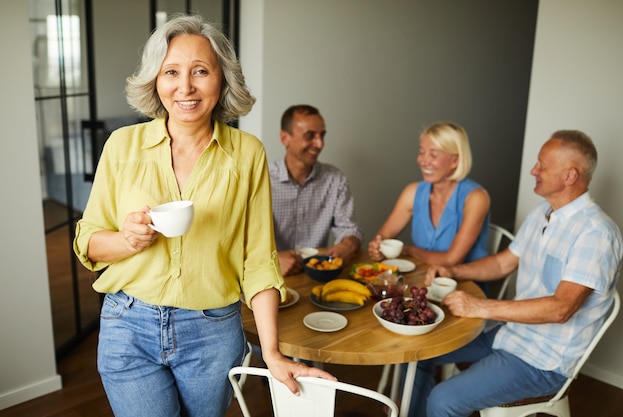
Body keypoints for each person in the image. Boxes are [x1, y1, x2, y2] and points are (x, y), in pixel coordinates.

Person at [73, 15, 333, 417]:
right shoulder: (122, 146)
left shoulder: (248, 153)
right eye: (171, 72)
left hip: (212, 332)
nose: (185, 87)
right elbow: (88, 239)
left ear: (222, 79)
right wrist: (127, 240)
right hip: (128, 324)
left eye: (201, 71)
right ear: (155, 81)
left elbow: (258, 260)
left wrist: (272, 352)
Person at [411, 130, 623, 417]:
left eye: (542, 165)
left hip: (543, 361)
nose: (534, 170)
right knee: (417, 352)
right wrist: (452, 269)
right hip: (510, 334)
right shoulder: (542, 213)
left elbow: (561, 308)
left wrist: (479, 307)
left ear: (570, 176)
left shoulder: (596, 233)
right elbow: (502, 264)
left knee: (443, 399)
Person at [368, 121, 490, 272]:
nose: (423, 161)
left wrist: (409, 251)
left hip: (464, 286)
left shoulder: (476, 198)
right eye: (421, 152)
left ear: (455, 161)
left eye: (433, 154)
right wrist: (378, 246)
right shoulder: (412, 192)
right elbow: (383, 236)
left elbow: (451, 260)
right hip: (423, 278)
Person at [270, 104, 363, 276]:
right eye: (310, 136)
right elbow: (239, 240)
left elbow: (350, 228)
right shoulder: (260, 179)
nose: (319, 144)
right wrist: (271, 259)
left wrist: (347, 245)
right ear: (285, 138)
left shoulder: (336, 179)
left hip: (318, 276)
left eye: (322, 135)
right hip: (269, 278)